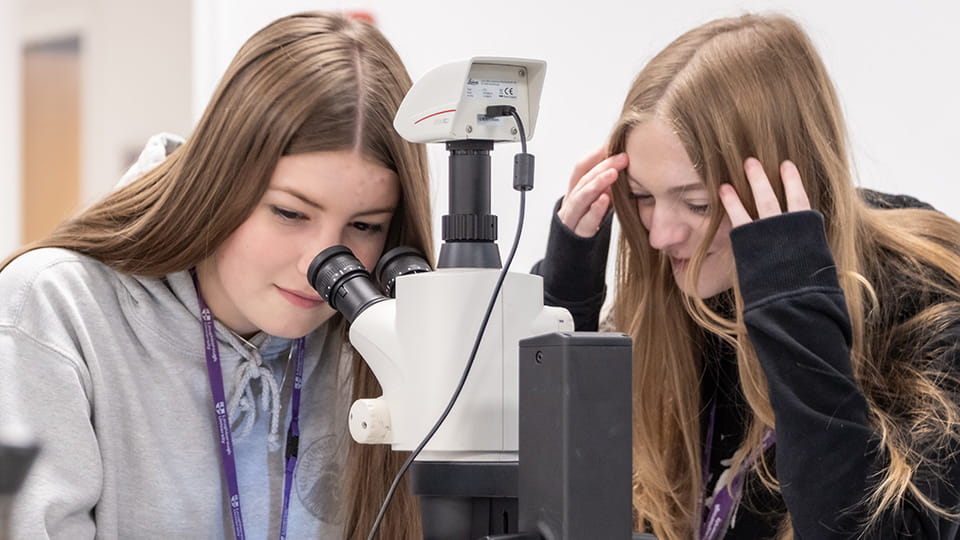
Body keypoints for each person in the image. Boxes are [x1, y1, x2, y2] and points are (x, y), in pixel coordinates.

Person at [0, 11, 429, 539]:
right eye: (290, 213)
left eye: (364, 225)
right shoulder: (54, 309)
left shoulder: (371, 338)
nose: (321, 265)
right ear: (221, 181)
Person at [535, 13, 960, 540]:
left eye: (696, 202)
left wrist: (794, 314)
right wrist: (562, 301)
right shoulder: (695, 294)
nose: (659, 235)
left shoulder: (931, 305)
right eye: (642, 196)